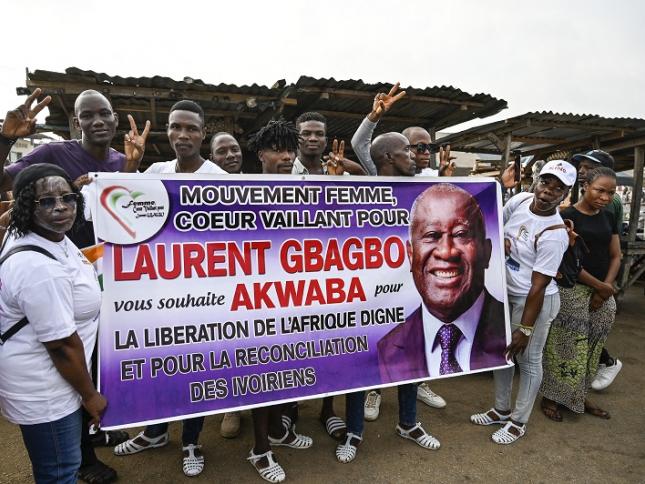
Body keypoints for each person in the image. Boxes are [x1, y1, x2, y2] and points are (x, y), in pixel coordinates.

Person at [1, 88, 149, 483]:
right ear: (76, 122)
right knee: (74, 363)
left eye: (104, 113)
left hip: (98, 273)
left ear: (115, 119)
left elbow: (124, 209)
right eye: (88, 115)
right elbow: (4, 183)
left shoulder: (121, 159)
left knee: (96, 361)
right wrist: (5, 140)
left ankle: (91, 432)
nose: (60, 207)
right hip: (59, 285)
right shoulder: (53, 155)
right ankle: (82, 458)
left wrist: (131, 169)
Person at [113, 100, 225, 477]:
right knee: (160, 367)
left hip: (205, 296)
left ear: (203, 134)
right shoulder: (156, 171)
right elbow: (121, 207)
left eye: (191, 128)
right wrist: (130, 165)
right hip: (160, 296)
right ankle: (155, 432)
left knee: (197, 370)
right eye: (176, 127)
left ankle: (191, 440)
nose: (182, 135)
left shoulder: (218, 179)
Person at [0, 163, 106, 483]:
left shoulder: (46, 234)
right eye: (46, 201)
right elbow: (61, 346)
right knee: (60, 471)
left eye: (67, 197)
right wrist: (90, 396)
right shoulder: (37, 267)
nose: (60, 207)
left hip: (55, 381)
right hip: (46, 390)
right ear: (25, 205)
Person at [470, 160, 575, 444]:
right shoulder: (519, 201)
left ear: (565, 195)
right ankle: (501, 410)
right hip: (507, 294)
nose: (548, 191)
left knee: (528, 360)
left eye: (558, 188)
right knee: (502, 353)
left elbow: (538, 287)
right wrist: (498, 241)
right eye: (545, 182)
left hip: (534, 303)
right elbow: (493, 225)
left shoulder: (554, 234)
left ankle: (518, 422)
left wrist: (525, 329)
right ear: (536, 181)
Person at [377, 183, 507, 381]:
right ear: (411, 255)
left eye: (461, 234)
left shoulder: (507, 329)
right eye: (432, 235)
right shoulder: (388, 348)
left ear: (487, 252)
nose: (446, 252)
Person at [246, 120, 313, 482]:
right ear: (261, 154)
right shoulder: (240, 191)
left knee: (282, 374)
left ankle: (277, 431)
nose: (287, 156)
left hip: (292, 299)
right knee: (261, 375)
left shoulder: (302, 191)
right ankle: (260, 449)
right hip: (254, 302)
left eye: (290, 149)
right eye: (277, 150)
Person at [540, 167, 620, 421]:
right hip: (572, 289)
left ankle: (578, 395)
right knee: (565, 346)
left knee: (592, 348)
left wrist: (605, 288)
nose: (605, 197)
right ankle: (551, 397)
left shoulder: (609, 217)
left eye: (611, 193)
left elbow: (616, 255)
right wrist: (600, 287)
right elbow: (568, 262)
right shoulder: (567, 216)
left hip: (603, 292)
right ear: (585, 186)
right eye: (600, 190)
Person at [570, 150, 623, 389]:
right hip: (583, 281)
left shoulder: (608, 207)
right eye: (581, 167)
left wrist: (604, 288)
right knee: (576, 334)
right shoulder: (574, 208)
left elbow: (613, 251)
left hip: (596, 282)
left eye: (588, 167)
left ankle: (606, 364)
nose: (582, 171)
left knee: (588, 335)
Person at [293, 111, 365, 175]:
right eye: (306, 133)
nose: (313, 138)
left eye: (319, 134)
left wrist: (359, 170)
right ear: (296, 139)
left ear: (326, 142)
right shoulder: (288, 172)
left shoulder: (340, 173)